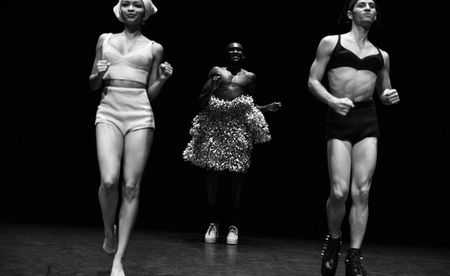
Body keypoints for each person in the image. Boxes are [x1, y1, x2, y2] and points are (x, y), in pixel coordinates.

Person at [307, 0, 399, 275]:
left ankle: (355, 254)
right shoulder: (330, 43)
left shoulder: (381, 54)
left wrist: (388, 96)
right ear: (350, 13)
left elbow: (385, 90)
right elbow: (312, 81)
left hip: (367, 119)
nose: (369, 8)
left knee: (362, 191)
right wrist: (333, 102)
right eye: (362, 5)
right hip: (339, 117)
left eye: (373, 5)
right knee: (339, 191)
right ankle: (334, 240)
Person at [88, 0, 173, 275]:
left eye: (136, 5)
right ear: (119, 10)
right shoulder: (105, 39)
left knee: (131, 186)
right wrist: (98, 74)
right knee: (109, 180)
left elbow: (150, 93)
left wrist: (162, 79)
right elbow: (92, 82)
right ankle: (108, 231)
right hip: (109, 110)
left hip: (140, 114)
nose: (131, 9)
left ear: (145, 11)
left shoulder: (154, 47)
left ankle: (118, 260)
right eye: (126, 4)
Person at [183, 42, 281, 245]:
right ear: (226, 54)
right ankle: (212, 223)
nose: (235, 52)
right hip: (215, 127)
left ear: (243, 54)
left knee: (236, 177)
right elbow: (201, 100)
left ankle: (233, 226)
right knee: (213, 175)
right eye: (231, 50)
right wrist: (212, 85)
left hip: (237, 129)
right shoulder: (216, 71)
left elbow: (249, 107)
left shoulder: (250, 77)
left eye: (238, 50)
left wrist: (267, 108)